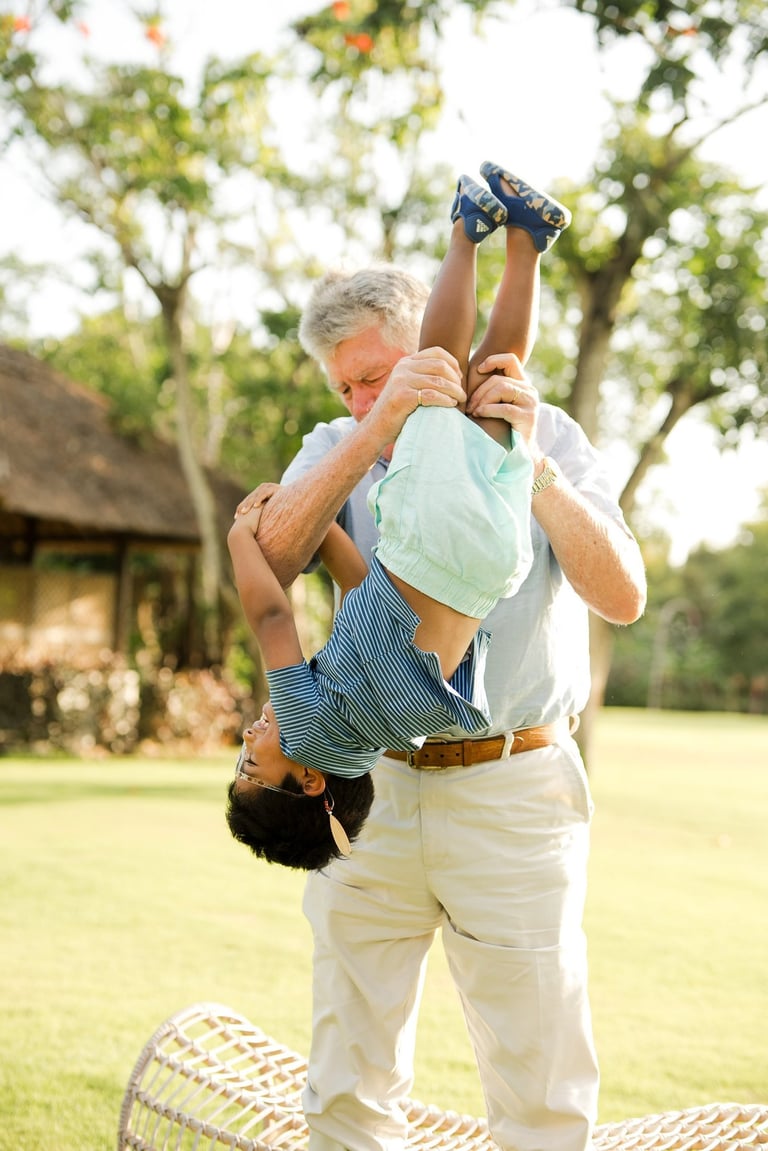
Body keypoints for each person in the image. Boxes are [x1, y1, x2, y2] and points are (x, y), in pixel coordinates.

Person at [236, 160, 647, 1151]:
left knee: (539, 1083)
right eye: (350, 382)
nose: (370, 391)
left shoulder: (540, 425)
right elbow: (280, 555)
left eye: (383, 368)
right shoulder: (341, 440)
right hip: (369, 793)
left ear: (433, 336)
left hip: (515, 787)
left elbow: (623, 595)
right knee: (346, 1077)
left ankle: (509, 240)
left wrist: (533, 464)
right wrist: (375, 423)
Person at [226, 166, 569, 869]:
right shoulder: (307, 726)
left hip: (490, 565)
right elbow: (271, 619)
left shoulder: (381, 740)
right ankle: (466, 233)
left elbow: (362, 594)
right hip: (429, 541)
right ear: (310, 779)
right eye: (252, 765)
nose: (250, 739)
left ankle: (530, 242)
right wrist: (241, 539)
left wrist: (324, 527)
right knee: (444, 370)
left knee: (492, 383)